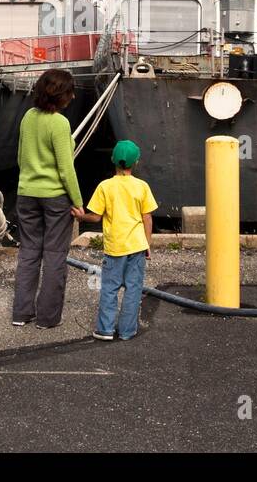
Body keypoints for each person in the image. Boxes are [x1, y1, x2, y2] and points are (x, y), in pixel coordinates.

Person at [11, 68, 84, 329]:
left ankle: (21, 313)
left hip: (26, 194)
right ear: (62, 95)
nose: (73, 97)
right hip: (54, 198)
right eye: (70, 92)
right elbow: (66, 168)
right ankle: (47, 318)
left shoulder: (28, 117)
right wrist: (77, 202)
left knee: (29, 252)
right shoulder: (60, 123)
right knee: (54, 255)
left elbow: (20, 158)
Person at [74, 139, 157, 341]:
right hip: (137, 245)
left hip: (114, 247)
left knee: (110, 288)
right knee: (133, 288)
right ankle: (128, 330)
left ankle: (105, 330)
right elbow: (147, 217)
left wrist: (80, 216)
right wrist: (147, 244)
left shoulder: (105, 186)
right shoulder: (142, 186)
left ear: (113, 161)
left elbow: (95, 216)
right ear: (135, 162)